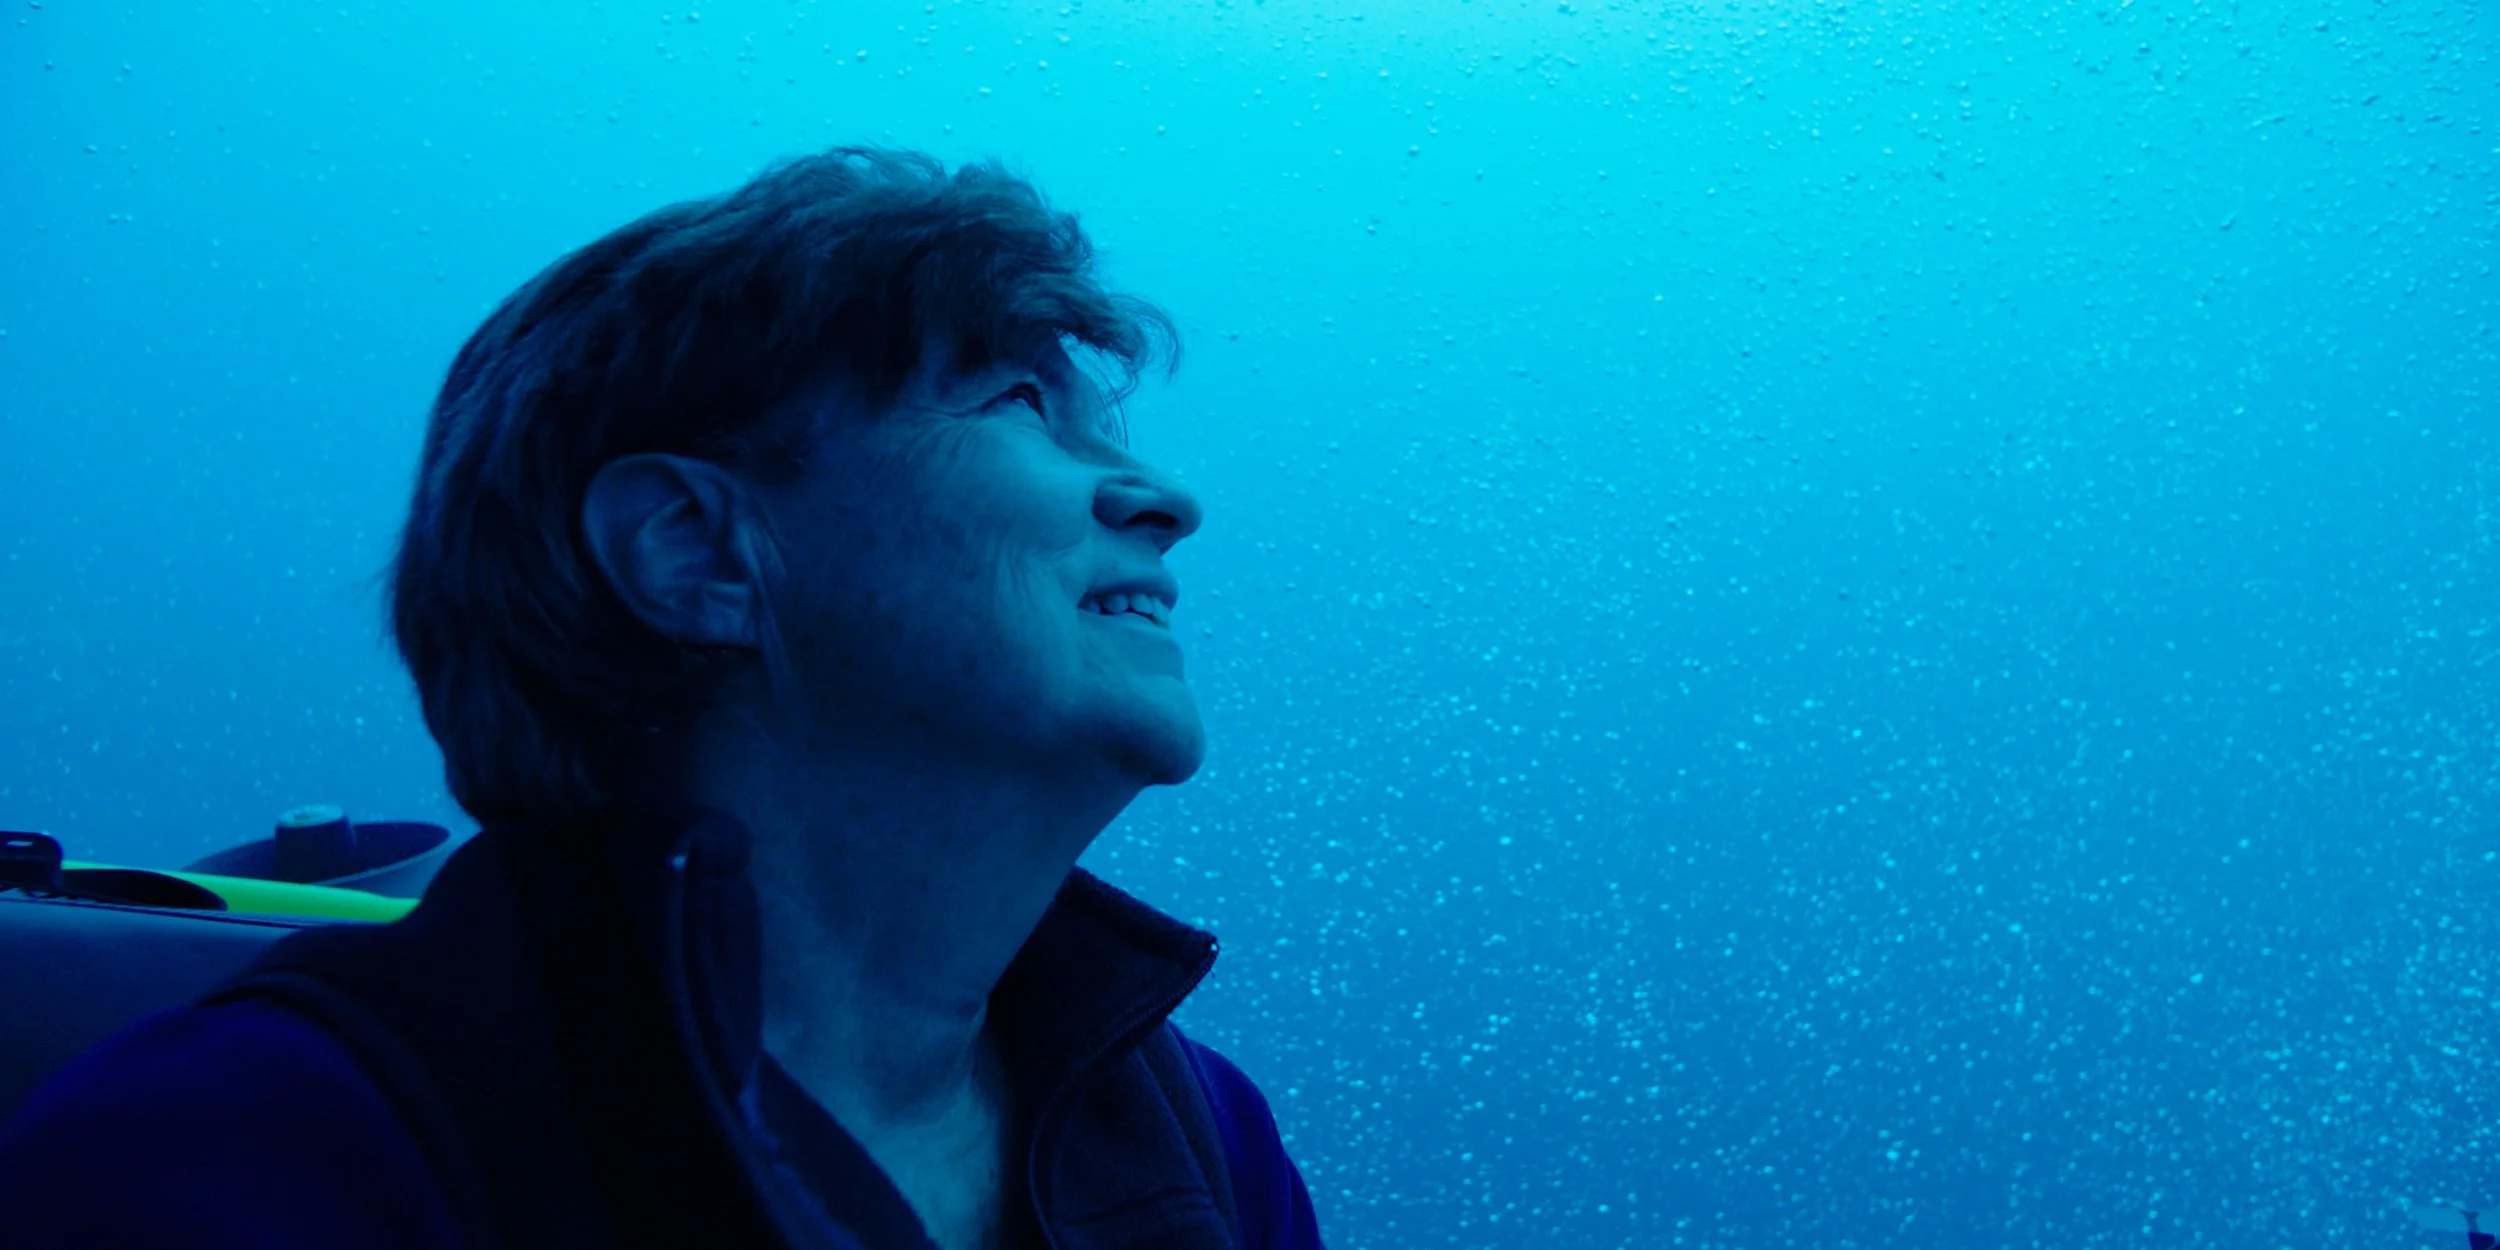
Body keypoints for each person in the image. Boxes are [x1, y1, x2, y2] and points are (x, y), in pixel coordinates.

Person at [0, 147, 1325, 1250]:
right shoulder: (237, 1155)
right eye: (1028, 406)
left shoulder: (1210, 1138)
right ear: (693, 551)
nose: (1168, 501)